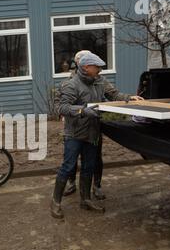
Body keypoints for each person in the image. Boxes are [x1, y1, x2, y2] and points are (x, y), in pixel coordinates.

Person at [52, 53, 144, 219]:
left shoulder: (100, 82)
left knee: (88, 166)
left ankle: (86, 200)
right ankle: (56, 203)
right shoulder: (71, 85)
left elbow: (114, 94)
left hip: (93, 133)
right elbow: (61, 108)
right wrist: (81, 110)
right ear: (86, 68)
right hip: (74, 134)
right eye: (97, 67)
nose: (100, 70)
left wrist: (129, 98)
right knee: (68, 166)